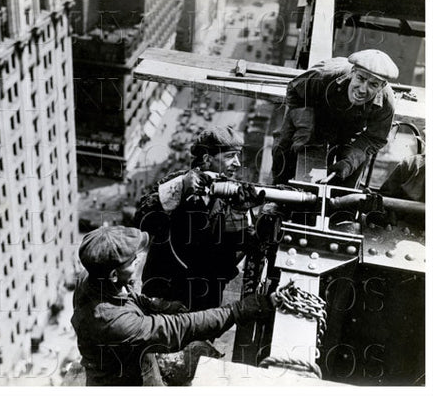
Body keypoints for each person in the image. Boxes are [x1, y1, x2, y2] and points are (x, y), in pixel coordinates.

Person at [71, 225, 272, 386]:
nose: (139, 258)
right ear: (113, 275)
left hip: (127, 360)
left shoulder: (91, 278)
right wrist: (238, 310)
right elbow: (179, 327)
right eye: (132, 260)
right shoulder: (114, 323)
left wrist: (158, 305)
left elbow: (125, 297)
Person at [134, 125, 264, 311]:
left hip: (204, 295)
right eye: (229, 156)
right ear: (207, 158)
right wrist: (180, 188)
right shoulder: (179, 181)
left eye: (237, 156)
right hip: (163, 292)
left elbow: (241, 248)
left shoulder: (234, 193)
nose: (237, 163)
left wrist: (240, 213)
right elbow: (142, 221)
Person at [272, 49, 399, 188]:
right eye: (361, 78)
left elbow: (374, 138)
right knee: (283, 154)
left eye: (373, 85)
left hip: (347, 129)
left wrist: (350, 161)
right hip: (312, 114)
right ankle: (277, 196)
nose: (363, 89)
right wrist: (305, 128)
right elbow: (294, 90)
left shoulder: (386, 104)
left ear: (382, 86)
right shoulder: (324, 75)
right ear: (352, 72)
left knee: (348, 177)